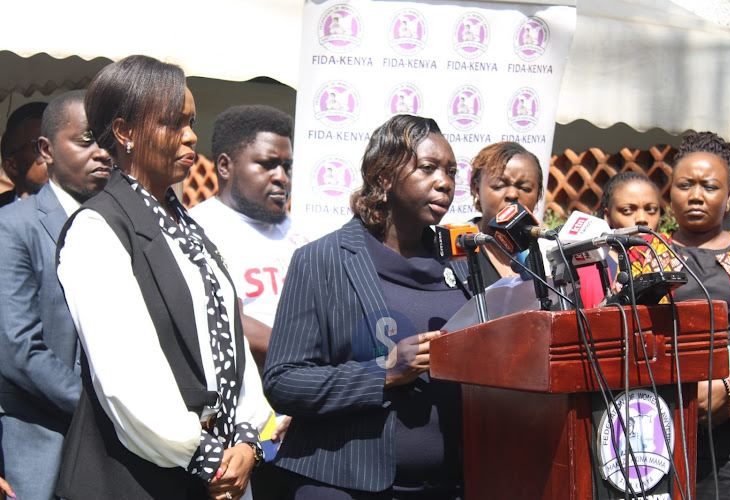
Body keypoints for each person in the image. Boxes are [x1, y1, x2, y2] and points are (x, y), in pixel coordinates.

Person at [55, 55, 270, 499]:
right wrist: (207, 459)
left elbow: (228, 342)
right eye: (174, 122)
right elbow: (126, 377)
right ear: (125, 132)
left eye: (191, 121)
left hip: (216, 471)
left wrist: (247, 437)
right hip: (139, 480)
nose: (191, 136)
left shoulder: (187, 228)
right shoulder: (98, 229)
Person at [263, 114, 468, 498]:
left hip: (451, 486)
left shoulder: (462, 266)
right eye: (428, 168)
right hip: (344, 485)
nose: (444, 182)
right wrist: (383, 373)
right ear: (384, 176)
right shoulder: (323, 260)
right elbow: (283, 380)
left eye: (451, 171)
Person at [0, 90, 111, 500]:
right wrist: (108, 411)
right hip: (40, 448)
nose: (102, 153)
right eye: (86, 140)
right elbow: (19, 349)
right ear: (45, 150)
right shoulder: (13, 227)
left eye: (108, 141)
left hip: (116, 458)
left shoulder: (124, 230)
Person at [628, 131, 730, 499]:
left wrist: (727, 390)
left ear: (728, 197)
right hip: (659, 425)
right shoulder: (642, 254)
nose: (696, 195)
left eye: (710, 186)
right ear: (670, 193)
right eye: (685, 185)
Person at [189, 104, 301, 499]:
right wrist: (302, 357)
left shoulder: (302, 231)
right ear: (225, 165)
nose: (281, 177)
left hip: (303, 419)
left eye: (287, 166)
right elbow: (225, 319)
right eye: (268, 164)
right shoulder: (198, 229)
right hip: (240, 432)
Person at [577, 172, 663, 308]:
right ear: (607, 215)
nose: (642, 218)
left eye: (651, 209)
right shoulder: (590, 263)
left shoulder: (671, 256)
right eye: (628, 210)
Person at [465, 141, 544, 283]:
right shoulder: (461, 248)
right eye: (499, 185)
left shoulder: (549, 250)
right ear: (476, 190)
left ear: (538, 195)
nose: (513, 194)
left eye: (525, 188)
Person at [0, 102, 49, 207]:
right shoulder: (3, 213)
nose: (52, 153)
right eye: (39, 145)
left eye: (56, 143)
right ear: (11, 166)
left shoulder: (86, 208)